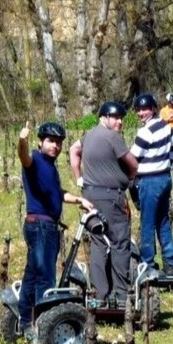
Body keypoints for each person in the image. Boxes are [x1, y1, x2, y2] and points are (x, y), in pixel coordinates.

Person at [17, 120, 94, 334]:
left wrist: (79, 200)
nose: (55, 146)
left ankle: (25, 322)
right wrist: (21, 140)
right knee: (45, 278)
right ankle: (44, 327)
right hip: (40, 226)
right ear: (40, 142)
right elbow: (23, 156)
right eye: (51, 141)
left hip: (45, 226)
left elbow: (57, 193)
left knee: (32, 275)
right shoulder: (35, 161)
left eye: (59, 143)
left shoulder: (49, 167)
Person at [69, 101, 137, 305]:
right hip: (112, 197)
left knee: (98, 243)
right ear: (105, 117)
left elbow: (73, 150)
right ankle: (121, 295)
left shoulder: (88, 135)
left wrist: (78, 177)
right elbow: (133, 163)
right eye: (116, 117)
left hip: (90, 197)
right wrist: (131, 176)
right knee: (119, 242)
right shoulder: (113, 137)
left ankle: (100, 295)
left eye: (121, 118)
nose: (120, 122)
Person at [129, 93, 173, 273]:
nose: (141, 113)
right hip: (165, 178)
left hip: (149, 181)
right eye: (139, 110)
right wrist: (168, 163)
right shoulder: (167, 127)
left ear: (153, 109)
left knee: (147, 223)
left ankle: (148, 265)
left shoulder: (145, 132)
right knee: (163, 221)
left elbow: (133, 158)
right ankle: (170, 263)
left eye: (145, 109)